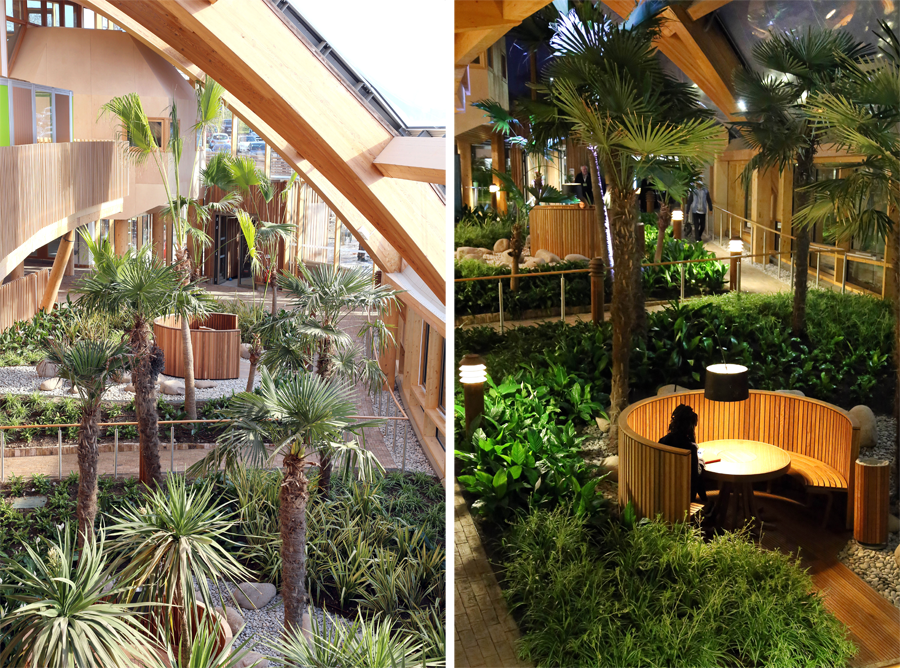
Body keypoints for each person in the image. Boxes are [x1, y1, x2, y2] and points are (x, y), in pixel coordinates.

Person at [658, 404, 707, 503]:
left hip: (664, 489)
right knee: (699, 471)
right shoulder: (690, 448)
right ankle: (705, 501)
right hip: (685, 495)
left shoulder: (663, 441)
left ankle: (705, 501)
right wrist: (701, 462)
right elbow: (694, 476)